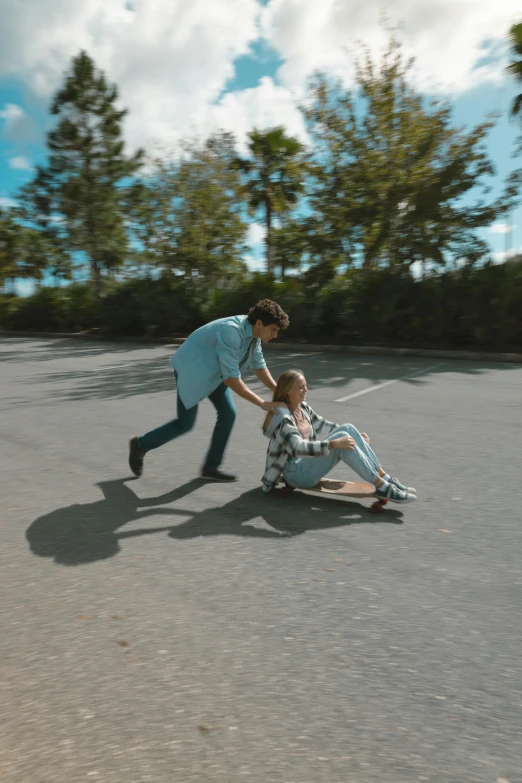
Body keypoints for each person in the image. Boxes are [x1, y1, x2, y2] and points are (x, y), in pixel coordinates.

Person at [129, 299, 290, 482]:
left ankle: (210, 467)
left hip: (216, 371)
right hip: (192, 371)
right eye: (274, 330)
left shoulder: (254, 335)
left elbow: (258, 366)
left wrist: (279, 390)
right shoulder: (232, 331)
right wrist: (262, 403)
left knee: (228, 414)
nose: (275, 335)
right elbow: (231, 379)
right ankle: (140, 445)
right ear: (260, 323)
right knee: (185, 423)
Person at [261, 369, 416, 503]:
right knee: (341, 442)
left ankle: (386, 479)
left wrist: (354, 436)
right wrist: (333, 444)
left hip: (305, 464)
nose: (306, 390)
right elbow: (297, 448)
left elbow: (322, 424)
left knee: (347, 428)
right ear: (288, 390)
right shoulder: (283, 418)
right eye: (301, 388)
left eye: (306, 386)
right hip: (295, 473)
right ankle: (382, 487)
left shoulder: (302, 408)